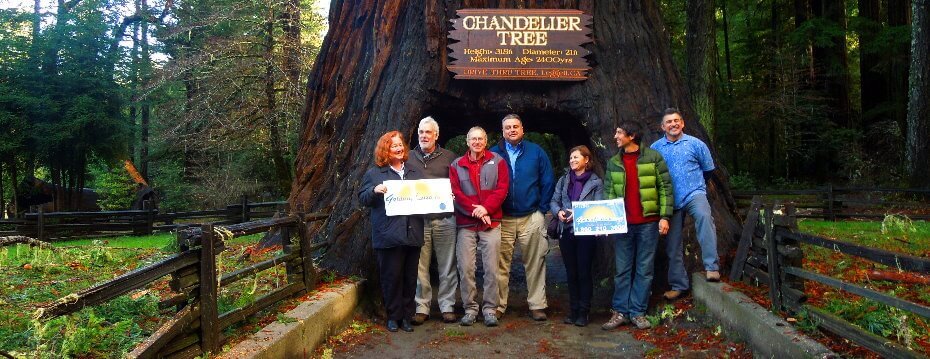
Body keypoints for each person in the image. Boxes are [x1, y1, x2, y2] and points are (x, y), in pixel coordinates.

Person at [602, 121, 673, 330]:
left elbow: (665, 188)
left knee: (644, 269)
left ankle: (638, 313)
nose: (615, 136)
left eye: (619, 133)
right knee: (622, 270)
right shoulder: (614, 162)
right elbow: (608, 193)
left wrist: (664, 217)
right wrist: (608, 222)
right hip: (623, 226)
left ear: (631, 136)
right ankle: (620, 312)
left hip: (648, 224)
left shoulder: (653, 157)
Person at [650, 107, 720, 301]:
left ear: (682, 123)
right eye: (669, 122)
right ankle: (678, 284)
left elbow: (708, 170)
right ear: (662, 126)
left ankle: (712, 267)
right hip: (670, 199)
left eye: (676, 120)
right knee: (672, 243)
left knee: (705, 218)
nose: (673, 124)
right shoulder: (656, 149)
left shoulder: (696, 144)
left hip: (694, 192)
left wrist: (697, 186)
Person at [358, 131, 424, 333]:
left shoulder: (415, 172)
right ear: (385, 150)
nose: (398, 148)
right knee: (391, 277)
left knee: (410, 278)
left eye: (400, 145)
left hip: (412, 233)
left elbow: (426, 196)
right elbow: (362, 198)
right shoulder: (374, 174)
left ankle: (407, 316)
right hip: (388, 235)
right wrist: (374, 191)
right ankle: (393, 317)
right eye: (393, 145)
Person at [491, 114, 555, 321]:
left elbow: (547, 180)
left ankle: (537, 304)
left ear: (522, 129)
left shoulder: (536, 152)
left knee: (535, 261)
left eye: (515, 126)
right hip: (503, 217)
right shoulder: (493, 154)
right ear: (502, 131)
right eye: (507, 127)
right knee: (500, 263)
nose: (512, 130)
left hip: (531, 216)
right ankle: (498, 305)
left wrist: (542, 209)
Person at [450, 126, 509, 327]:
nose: (477, 142)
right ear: (467, 142)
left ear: (485, 141)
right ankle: (470, 308)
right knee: (465, 267)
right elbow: (456, 193)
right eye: (473, 139)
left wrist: (486, 209)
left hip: (491, 222)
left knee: (492, 268)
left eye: (480, 139)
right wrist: (476, 211)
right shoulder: (456, 165)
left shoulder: (498, 161)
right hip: (466, 223)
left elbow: (502, 189)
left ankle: (490, 309)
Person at [408, 117, 459, 325]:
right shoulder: (408, 157)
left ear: (436, 135)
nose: (424, 136)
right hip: (419, 221)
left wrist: (454, 196)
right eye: (421, 132)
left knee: (447, 265)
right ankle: (422, 307)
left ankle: (447, 306)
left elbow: (458, 184)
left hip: (445, 219)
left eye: (428, 132)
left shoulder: (449, 157)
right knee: (420, 267)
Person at [549, 145, 604, 327]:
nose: (572, 160)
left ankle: (583, 311)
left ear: (586, 160)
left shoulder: (596, 182)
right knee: (571, 273)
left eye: (576, 157)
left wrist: (578, 214)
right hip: (566, 231)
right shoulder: (564, 180)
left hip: (585, 233)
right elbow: (554, 201)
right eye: (571, 158)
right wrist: (558, 213)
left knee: (583, 272)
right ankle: (573, 310)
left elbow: (598, 206)